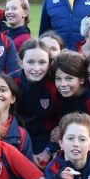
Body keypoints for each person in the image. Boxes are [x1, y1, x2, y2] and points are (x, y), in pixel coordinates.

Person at [11, 38, 61, 167]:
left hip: (46, 140)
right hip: (17, 137)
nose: (36, 68)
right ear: (21, 63)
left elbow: (63, 121)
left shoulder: (55, 84)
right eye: (30, 62)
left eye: (42, 62)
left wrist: (48, 151)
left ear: (49, 63)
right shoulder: (10, 82)